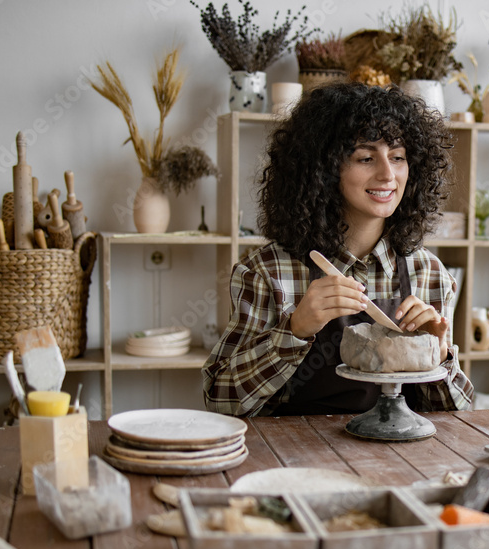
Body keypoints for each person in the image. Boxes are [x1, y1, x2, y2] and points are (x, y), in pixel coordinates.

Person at [202, 82, 474, 417]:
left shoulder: (429, 275)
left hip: (399, 461)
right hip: (299, 461)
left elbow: (457, 413)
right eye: (365, 157)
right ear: (325, 169)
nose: (388, 174)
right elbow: (220, 399)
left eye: (398, 157)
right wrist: (294, 330)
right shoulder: (267, 271)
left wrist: (439, 353)